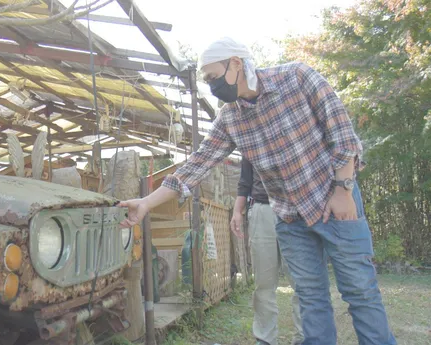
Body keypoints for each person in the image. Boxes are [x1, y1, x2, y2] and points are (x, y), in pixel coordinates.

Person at [118, 37, 396, 345]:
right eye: (207, 81)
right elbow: (196, 166)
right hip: (290, 219)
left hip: (335, 201)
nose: (212, 87)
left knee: (360, 291)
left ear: (236, 63)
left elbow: (344, 137)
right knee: (311, 298)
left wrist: (344, 189)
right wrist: (146, 202)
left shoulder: (298, 78)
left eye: (213, 77)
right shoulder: (230, 119)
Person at [232, 157, 304, 345]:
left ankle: (305, 338)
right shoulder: (250, 134)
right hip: (262, 209)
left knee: (303, 282)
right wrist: (237, 212)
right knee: (263, 284)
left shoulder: (298, 128)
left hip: (297, 210)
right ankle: (265, 339)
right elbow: (245, 180)